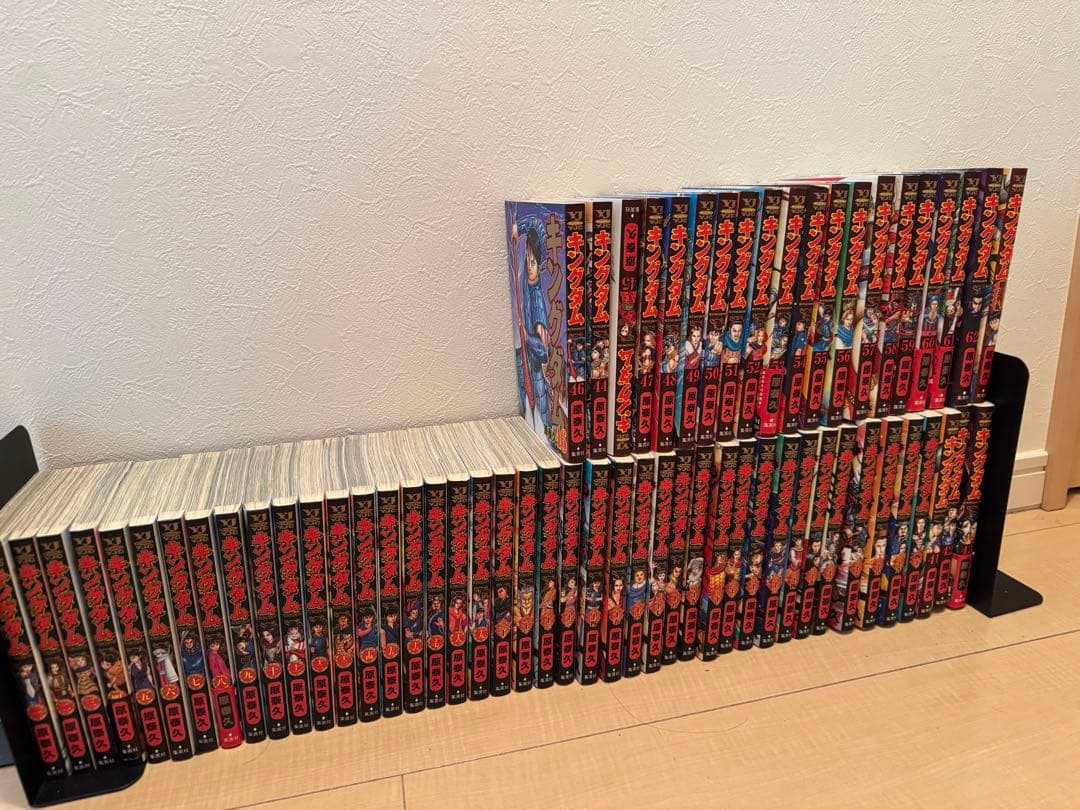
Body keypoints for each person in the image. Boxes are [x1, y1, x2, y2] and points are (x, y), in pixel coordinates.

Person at [519, 225, 552, 430]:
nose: (530, 266)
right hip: (527, 374)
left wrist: (527, 337)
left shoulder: (537, 297)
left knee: (542, 423)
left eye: (533, 262)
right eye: (527, 262)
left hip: (537, 379)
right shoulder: (526, 286)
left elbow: (543, 352)